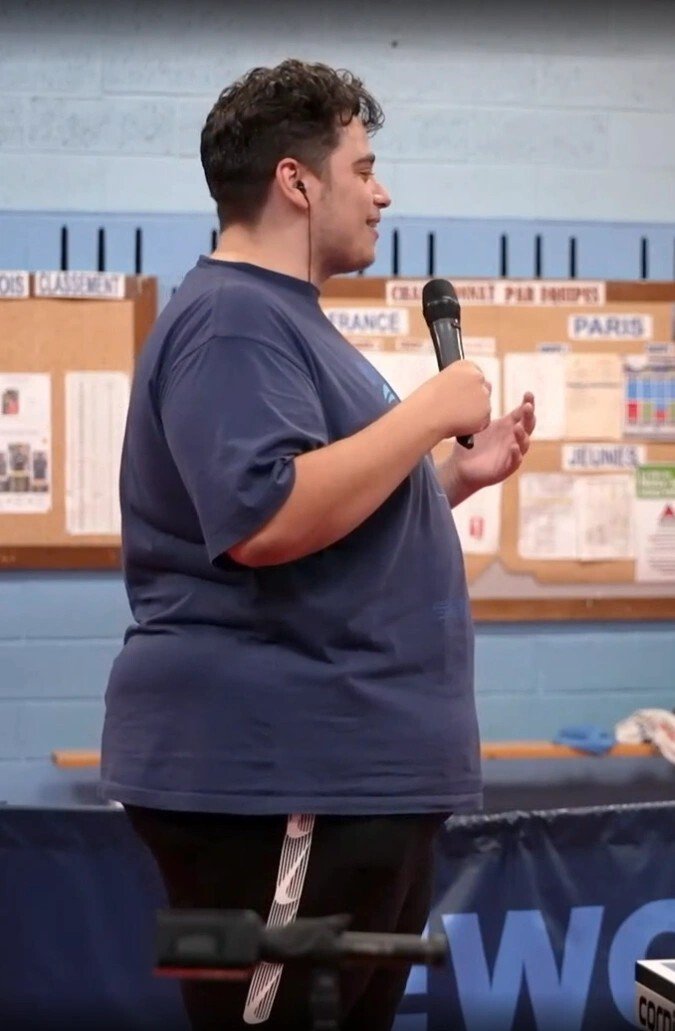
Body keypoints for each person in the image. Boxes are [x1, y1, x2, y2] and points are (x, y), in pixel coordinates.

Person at [101, 59, 535, 1031]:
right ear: (296, 181)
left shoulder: (282, 322)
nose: (382, 194)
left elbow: (324, 509)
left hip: (345, 776)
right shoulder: (233, 319)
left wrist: (448, 478)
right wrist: (428, 411)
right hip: (287, 777)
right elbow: (266, 518)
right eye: (363, 167)